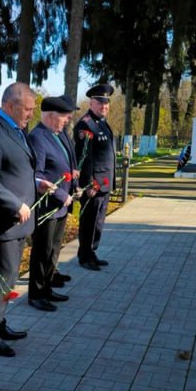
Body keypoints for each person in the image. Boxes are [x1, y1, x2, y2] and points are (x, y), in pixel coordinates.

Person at [0, 82, 55, 357]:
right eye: (27, 109)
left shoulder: (16, 129)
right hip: (2, 223)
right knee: (1, 279)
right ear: (10, 105)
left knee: (9, 278)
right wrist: (14, 203)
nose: (31, 114)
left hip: (18, 222)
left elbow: (16, 170)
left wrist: (36, 184)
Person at [26, 95, 79, 312]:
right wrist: (58, 194)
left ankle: (47, 287)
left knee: (54, 250)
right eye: (64, 116)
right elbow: (37, 176)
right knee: (42, 251)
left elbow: (68, 160)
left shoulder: (59, 134)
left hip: (61, 205)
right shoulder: (38, 137)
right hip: (47, 206)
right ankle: (36, 294)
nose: (67, 120)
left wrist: (74, 180)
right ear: (49, 115)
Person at [74, 84, 116, 271]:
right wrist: (89, 183)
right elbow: (84, 158)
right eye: (100, 103)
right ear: (91, 103)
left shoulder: (102, 123)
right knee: (89, 221)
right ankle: (84, 256)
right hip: (94, 185)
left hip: (104, 183)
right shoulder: (85, 125)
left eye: (106, 104)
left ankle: (92, 251)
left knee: (98, 221)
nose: (104, 107)